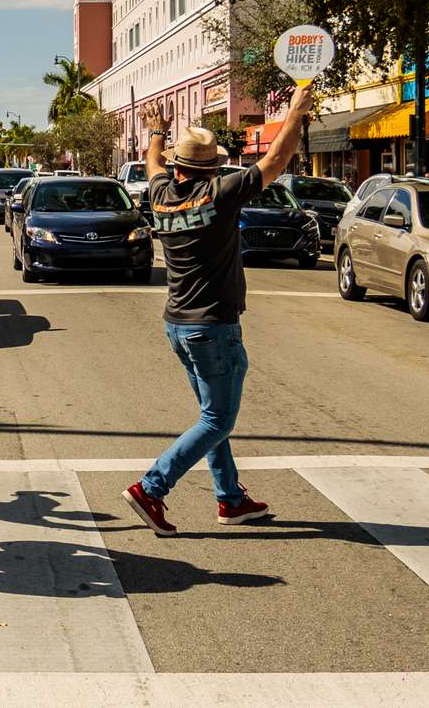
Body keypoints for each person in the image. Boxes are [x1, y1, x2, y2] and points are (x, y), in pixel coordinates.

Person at [123, 83, 315, 536]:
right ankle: (152, 487)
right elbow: (275, 161)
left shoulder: (161, 194)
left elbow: (152, 164)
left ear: (177, 165)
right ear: (213, 166)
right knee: (218, 418)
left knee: (211, 415)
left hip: (178, 323)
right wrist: (295, 114)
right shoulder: (220, 193)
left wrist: (154, 131)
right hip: (212, 326)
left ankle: (230, 499)